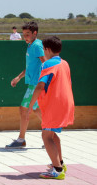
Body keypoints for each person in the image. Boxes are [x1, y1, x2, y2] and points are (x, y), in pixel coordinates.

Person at [26, 36, 74, 180]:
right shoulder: (64, 63)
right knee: (52, 135)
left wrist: (30, 105)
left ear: (46, 49)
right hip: (66, 103)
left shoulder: (47, 64)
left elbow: (41, 85)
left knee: (46, 136)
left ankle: (58, 170)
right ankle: (60, 163)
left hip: (54, 105)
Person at [6, 21, 46, 148]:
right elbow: (30, 67)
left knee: (23, 109)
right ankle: (51, 133)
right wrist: (18, 77)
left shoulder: (37, 46)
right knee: (36, 109)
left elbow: (46, 64)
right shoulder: (30, 45)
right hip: (33, 84)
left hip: (36, 85)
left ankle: (21, 140)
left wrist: (46, 82)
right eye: (24, 34)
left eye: (28, 34)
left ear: (35, 33)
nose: (25, 36)